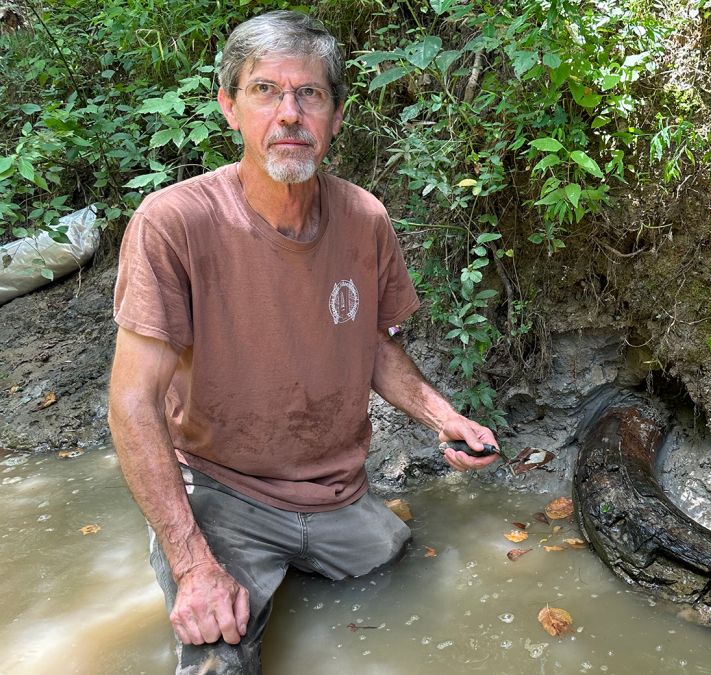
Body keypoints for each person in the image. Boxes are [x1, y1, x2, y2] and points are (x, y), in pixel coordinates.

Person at [106, 10, 498, 673]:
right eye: (265, 90)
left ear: (336, 116)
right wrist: (193, 561)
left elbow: (374, 348)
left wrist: (446, 417)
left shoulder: (364, 219)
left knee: (408, 578)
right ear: (229, 107)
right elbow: (133, 403)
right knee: (218, 653)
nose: (290, 113)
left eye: (309, 93)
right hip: (223, 489)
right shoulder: (172, 223)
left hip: (336, 492)